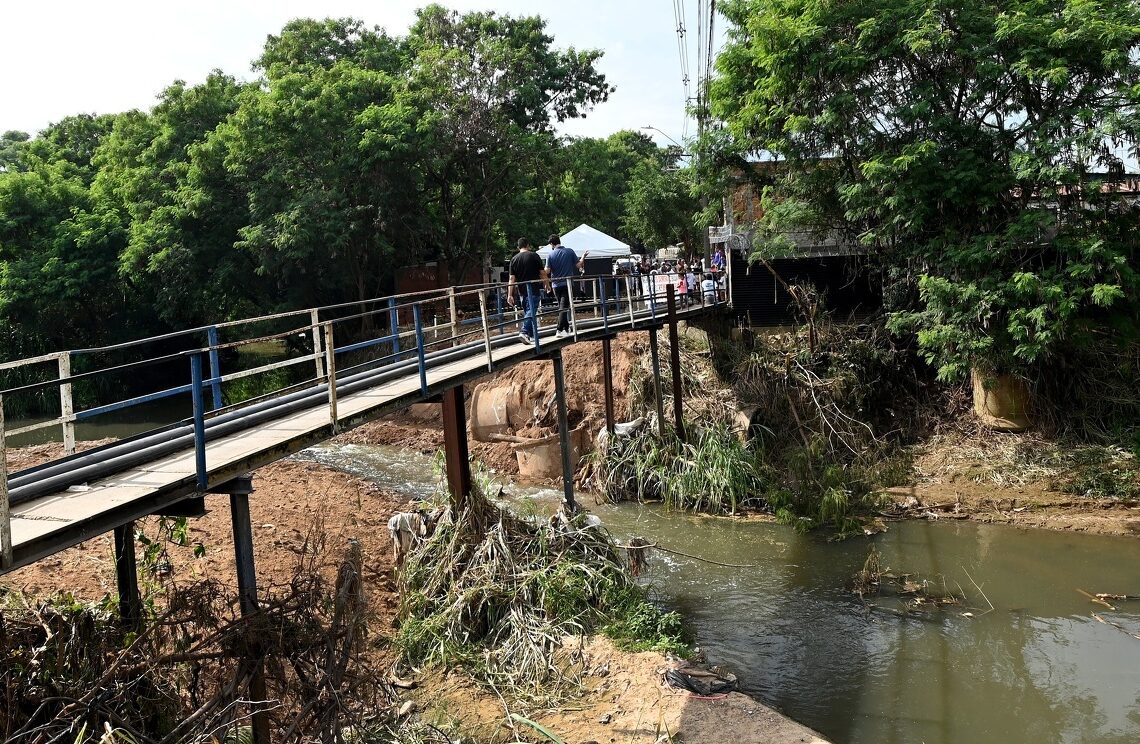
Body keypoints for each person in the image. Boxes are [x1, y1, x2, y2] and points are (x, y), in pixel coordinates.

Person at [544, 234, 586, 338]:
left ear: (551, 244)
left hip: (555, 285)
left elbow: (547, 271)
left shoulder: (550, 255)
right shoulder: (570, 251)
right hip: (567, 284)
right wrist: (583, 257)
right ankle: (559, 329)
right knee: (563, 307)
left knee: (562, 307)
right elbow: (579, 265)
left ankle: (566, 328)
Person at [506, 237, 543, 344]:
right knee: (532, 311)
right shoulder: (534, 256)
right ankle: (524, 331)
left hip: (522, 291)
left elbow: (511, 278)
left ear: (518, 247)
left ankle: (531, 335)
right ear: (528, 245)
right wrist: (547, 284)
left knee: (528, 312)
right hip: (534, 289)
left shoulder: (514, 259)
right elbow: (542, 273)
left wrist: (509, 294)